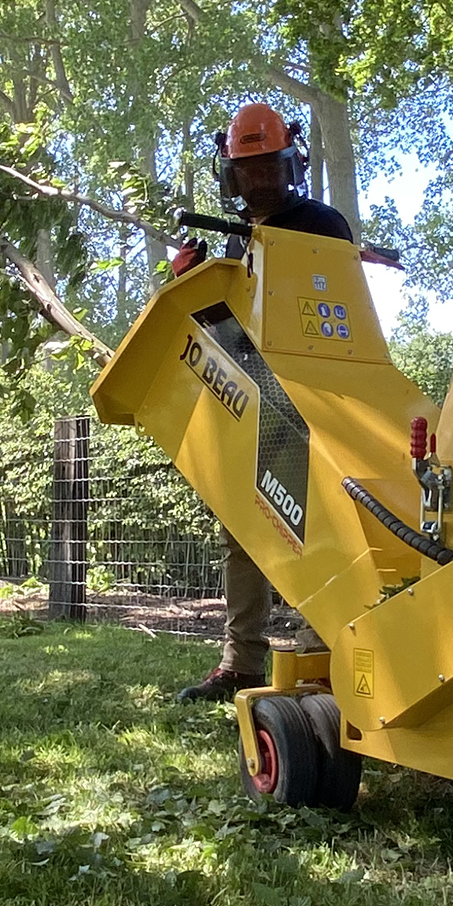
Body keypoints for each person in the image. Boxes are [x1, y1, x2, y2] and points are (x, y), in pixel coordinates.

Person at [175, 104, 353, 703]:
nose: (260, 182)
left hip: (319, 394)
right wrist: (192, 281)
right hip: (255, 395)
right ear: (232, 176)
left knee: (323, 524)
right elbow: (222, 326)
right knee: (245, 527)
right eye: (248, 173)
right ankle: (241, 662)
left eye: (269, 170)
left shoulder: (324, 226)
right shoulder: (230, 238)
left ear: (290, 166)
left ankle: (321, 653)